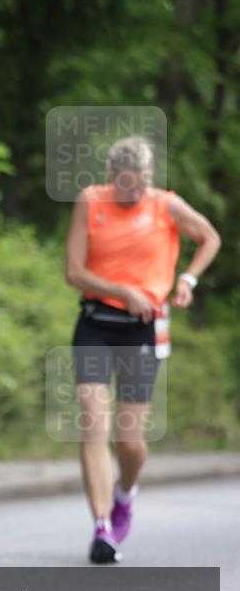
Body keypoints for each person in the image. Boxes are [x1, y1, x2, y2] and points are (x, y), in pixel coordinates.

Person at [65, 136, 221, 564]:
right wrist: (120, 290)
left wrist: (187, 279)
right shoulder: (90, 202)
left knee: (130, 442)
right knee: (94, 425)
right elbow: (73, 271)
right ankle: (100, 528)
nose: (136, 194)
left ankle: (125, 492)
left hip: (143, 332)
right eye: (127, 186)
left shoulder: (165, 205)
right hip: (95, 324)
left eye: (143, 184)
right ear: (111, 178)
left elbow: (209, 237)